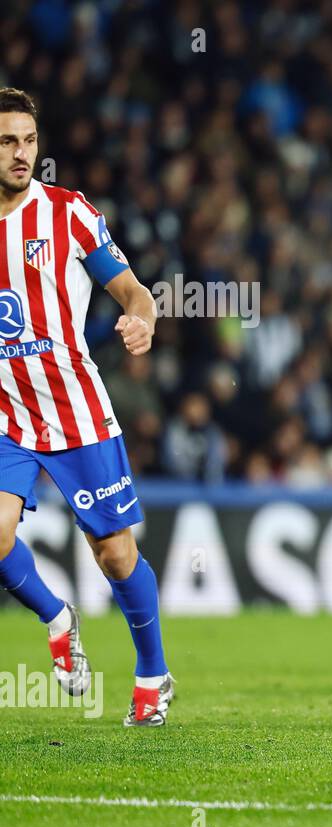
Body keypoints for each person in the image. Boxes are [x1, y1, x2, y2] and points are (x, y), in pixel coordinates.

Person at [0, 88, 174, 726]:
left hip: (74, 409)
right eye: (7, 142)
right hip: (6, 417)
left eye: (29, 141)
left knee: (115, 555)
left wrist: (142, 321)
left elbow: (133, 291)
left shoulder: (69, 213)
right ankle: (57, 616)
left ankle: (153, 674)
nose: (22, 154)